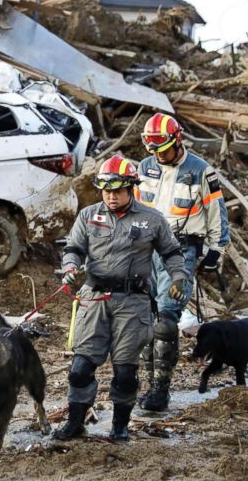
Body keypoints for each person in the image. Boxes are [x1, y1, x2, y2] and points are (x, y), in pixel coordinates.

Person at [52, 155, 185, 442]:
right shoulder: (89, 215)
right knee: (80, 368)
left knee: (125, 370)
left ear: (131, 188)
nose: (111, 196)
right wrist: (70, 267)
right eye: (106, 190)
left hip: (133, 301)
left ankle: (120, 426)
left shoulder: (152, 219)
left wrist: (178, 278)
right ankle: (75, 423)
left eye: (117, 190)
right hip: (94, 298)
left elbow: (172, 253)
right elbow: (74, 247)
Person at [135, 113, 230, 412]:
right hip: (145, 249)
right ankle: (147, 387)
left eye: (162, 149)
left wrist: (217, 250)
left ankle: (160, 391)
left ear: (177, 140)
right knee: (145, 321)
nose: (158, 156)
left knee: (166, 321)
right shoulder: (145, 167)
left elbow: (217, 211)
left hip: (181, 250)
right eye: (153, 151)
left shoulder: (201, 171)